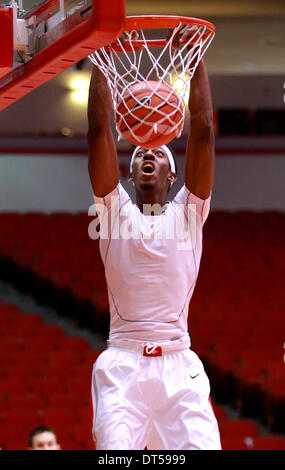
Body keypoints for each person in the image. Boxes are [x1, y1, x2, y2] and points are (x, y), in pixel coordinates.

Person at [88, 26, 221, 450]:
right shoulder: (113, 212)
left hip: (178, 365)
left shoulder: (189, 212)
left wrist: (194, 59)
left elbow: (201, 132)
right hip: (122, 366)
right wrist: (98, 57)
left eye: (159, 153)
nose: (148, 152)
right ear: (128, 173)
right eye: (140, 151)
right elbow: (98, 133)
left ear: (172, 174)